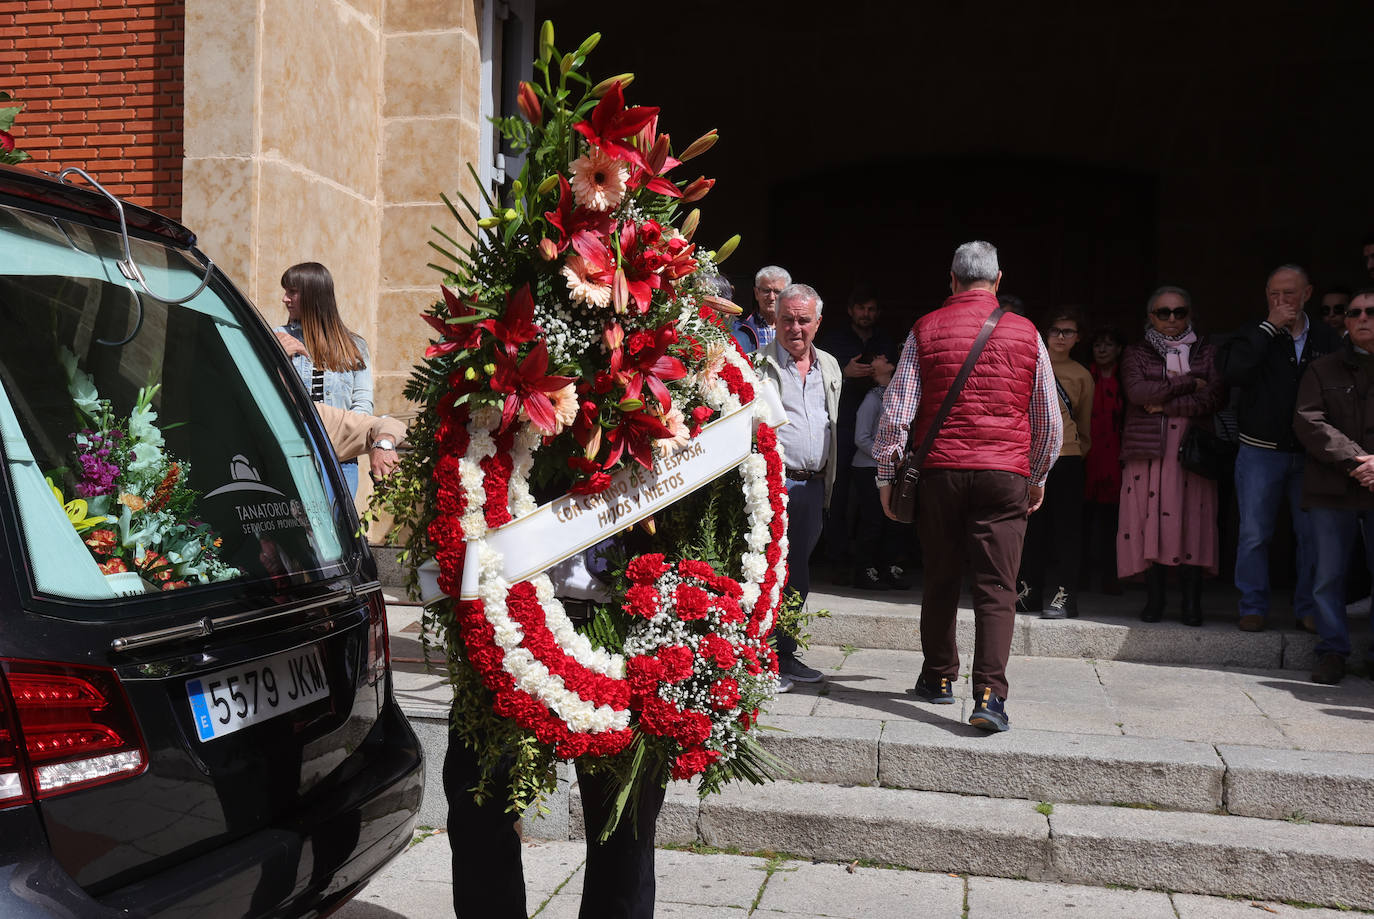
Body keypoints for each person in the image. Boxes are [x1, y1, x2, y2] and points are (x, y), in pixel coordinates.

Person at [874, 241, 1062, 733]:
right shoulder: (1026, 333)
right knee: (997, 588)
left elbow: (897, 412)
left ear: (951, 280)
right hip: (1005, 475)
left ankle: (937, 678)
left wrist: (888, 475)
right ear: (998, 282)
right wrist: (1035, 474)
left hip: (940, 473)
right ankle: (989, 698)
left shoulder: (925, 328)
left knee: (940, 577)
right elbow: (1047, 419)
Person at [1219, 265, 1342, 632]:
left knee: (1311, 534)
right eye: (1273, 293)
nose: (1281, 300)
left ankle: (1308, 607)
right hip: (1260, 449)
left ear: (1307, 294)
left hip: (1311, 453)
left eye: (1289, 293)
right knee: (1255, 533)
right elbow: (1233, 373)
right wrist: (1268, 328)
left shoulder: (1326, 338)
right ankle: (1252, 606)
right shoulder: (1252, 333)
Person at [1118, 286, 1227, 625]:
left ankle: (1191, 603)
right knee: (1149, 519)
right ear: (1151, 317)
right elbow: (1137, 392)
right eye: (1163, 312)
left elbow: (1214, 396)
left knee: (1192, 520)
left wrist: (1166, 404)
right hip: (1149, 450)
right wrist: (1185, 384)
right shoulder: (1136, 353)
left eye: (1179, 312)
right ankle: (1156, 600)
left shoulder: (1208, 352)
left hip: (1192, 451)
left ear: (1189, 314)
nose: (1171, 319)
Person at [757, 282, 842, 691]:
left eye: (803, 320)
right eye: (787, 319)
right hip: (775, 485)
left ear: (817, 322)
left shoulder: (829, 365)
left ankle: (784, 653)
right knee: (770, 571)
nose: (795, 327)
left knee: (800, 573)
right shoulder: (758, 366)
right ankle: (764, 657)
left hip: (813, 487)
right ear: (774, 321)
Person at [1292, 288, 1374, 685]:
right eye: (1355, 312)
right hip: (1332, 486)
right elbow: (1309, 420)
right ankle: (1331, 652)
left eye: (1370, 312)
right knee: (1328, 575)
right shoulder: (1323, 368)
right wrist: (1358, 460)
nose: (1361, 318)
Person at [819, 284, 901, 587]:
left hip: (877, 433)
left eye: (871, 309)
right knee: (837, 496)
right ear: (851, 311)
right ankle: (837, 559)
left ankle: (875, 563)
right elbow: (819, 372)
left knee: (875, 502)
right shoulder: (835, 340)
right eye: (861, 308)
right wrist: (844, 371)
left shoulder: (885, 341)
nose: (866, 314)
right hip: (841, 424)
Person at [1017, 307, 1093, 618]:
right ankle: (1028, 591)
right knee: (1031, 528)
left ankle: (1065, 595)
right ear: (1045, 334)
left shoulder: (1082, 375)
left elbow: (1085, 424)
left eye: (1068, 332)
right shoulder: (1029, 364)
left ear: (1078, 338)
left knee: (1066, 531)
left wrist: (1074, 451)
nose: (1061, 337)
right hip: (1031, 457)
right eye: (1055, 331)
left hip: (1067, 457)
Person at [275, 262, 374, 496]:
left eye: (292, 291)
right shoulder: (277, 337)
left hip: (341, 461)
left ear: (313, 295)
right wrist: (279, 359)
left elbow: (363, 404)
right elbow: (264, 394)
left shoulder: (354, 346)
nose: (284, 298)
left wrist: (341, 439)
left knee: (337, 528)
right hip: (296, 455)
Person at [851, 355, 904, 589]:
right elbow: (861, 437)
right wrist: (884, 456)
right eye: (878, 357)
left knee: (893, 521)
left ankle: (887, 568)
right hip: (868, 468)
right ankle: (865, 569)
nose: (884, 357)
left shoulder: (898, 395)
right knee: (872, 521)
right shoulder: (872, 399)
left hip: (892, 469)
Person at [1083, 326, 1126, 594]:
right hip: (1088, 455)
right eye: (1098, 344)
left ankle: (1111, 578)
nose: (1102, 349)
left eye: (1108, 344)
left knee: (1114, 523)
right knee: (1084, 521)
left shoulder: (1126, 379)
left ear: (1119, 349)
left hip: (1118, 456)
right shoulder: (1085, 374)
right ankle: (1082, 578)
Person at [732, 265, 788, 353]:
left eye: (777, 292)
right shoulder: (738, 329)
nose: (772, 297)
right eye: (766, 291)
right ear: (756, 293)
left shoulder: (795, 328)